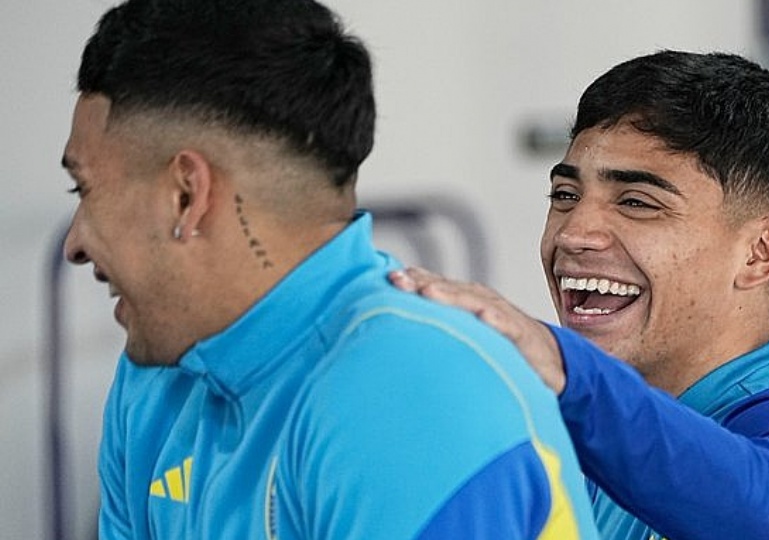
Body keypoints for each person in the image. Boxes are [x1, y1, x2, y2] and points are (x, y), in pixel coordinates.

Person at [60, 0, 599, 538]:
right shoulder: (158, 377)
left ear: (186, 196)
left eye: (84, 188)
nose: (74, 244)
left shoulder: (415, 392)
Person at [391, 50, 769, 539]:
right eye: (565, 194)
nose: (574, 234)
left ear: (760, 252)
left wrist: (569, 372)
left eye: (636, 202)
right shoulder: (597, 441)